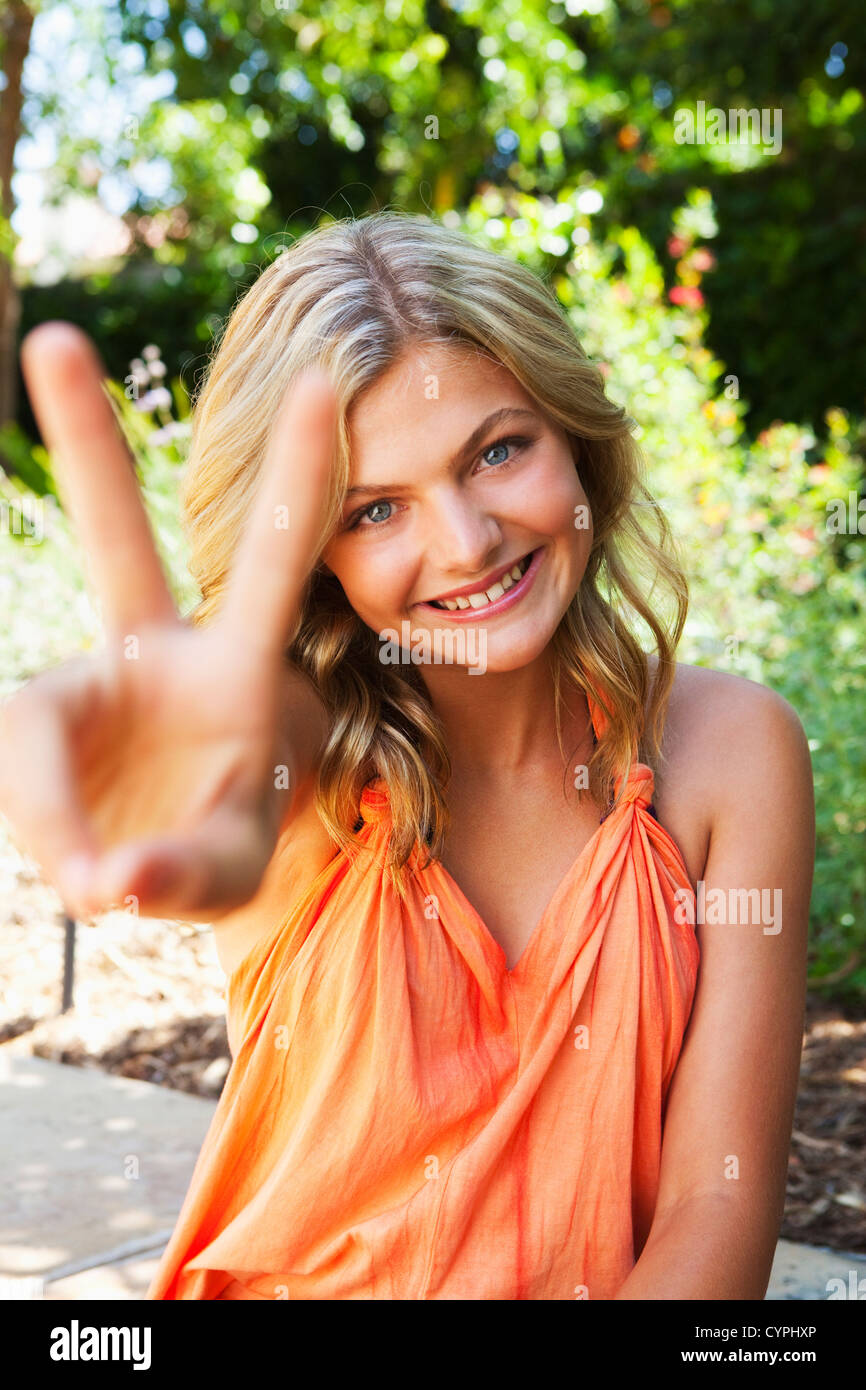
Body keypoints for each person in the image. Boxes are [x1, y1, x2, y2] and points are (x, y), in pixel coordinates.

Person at [3, 211, 814, 1300]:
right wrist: (163, 777)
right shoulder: (300, 748)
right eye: (376, 508)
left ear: (573, 433)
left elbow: (714, 1204)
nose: (466, 542)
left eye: (496, 449)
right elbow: (231, 778)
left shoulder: (730, 753)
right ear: (317, 559)